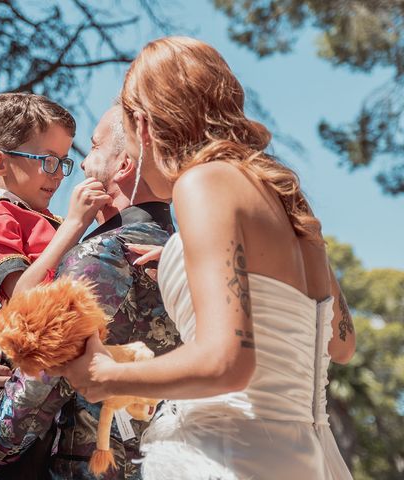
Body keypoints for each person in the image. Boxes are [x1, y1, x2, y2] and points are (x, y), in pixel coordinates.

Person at [55, 37, 356, 480]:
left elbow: (225, 363)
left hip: (225, 453)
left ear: (143, 124)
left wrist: (104, 376)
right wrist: (186, 259)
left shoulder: (203, 183)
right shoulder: (288, 201)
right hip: (308, 458)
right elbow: (342, 343)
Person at [0, 105, 181, 480]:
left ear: (123, 167)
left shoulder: (98, 256)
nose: (82, 166)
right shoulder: (190, 258)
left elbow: (20, 417)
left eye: (95, 147)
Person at [0, 92, 110, 441]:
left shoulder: (40, 217)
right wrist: (74, 225)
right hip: (19, 347)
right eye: (48, 160)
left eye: (64, 163)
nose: (57, 176)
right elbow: (24, 296)